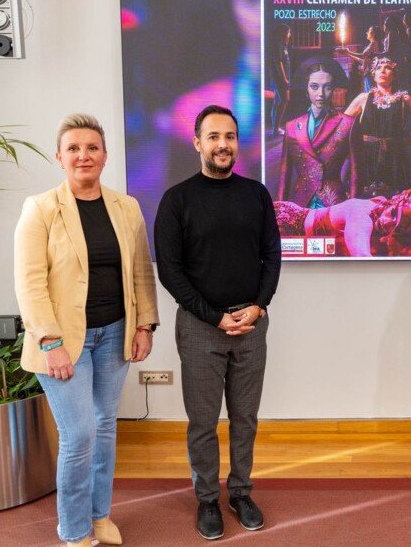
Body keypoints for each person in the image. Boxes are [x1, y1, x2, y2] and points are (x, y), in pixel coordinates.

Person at [14, 114, 159, 547]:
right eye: (74, 148)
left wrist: (144, 324)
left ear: (105, 155)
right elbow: (29, 282)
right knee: (79, 435)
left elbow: (139, 273)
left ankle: (99, 516)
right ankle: (73, 529)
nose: (84, 155)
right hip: (62, 342)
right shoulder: (40, 208)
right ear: (60, 157)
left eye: (92, 147)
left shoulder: (126, 206)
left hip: (115, 333)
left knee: (105, 426)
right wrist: (50, 342)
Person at [154, 105, 281, 540]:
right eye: (213, 137)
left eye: (229, 136)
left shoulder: (257, 194)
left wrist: (259, 305)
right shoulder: (177, 199)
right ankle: (207, 498)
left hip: (251, 323)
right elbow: (169, 271)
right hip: (199, 327)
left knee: (246, 417)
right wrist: (214, 316)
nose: (222, 144)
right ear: (197, 143)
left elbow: (272, 255)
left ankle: (240, 492)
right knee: (203, 421)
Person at [344, 57, 411, 199]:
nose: (383, 70)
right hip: (367, 158)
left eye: (388, 67)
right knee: (367, 203)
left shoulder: (404, 99)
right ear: (373, 74)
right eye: (378, 68)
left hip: (395, 158)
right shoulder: (364, 98)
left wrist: (406, 141)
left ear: (394, 74)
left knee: (396, 204)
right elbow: (342, 126)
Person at [277, 56, 354, 208]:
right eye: (314, 86)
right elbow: (284, 174)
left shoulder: (348, 123)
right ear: (306, 89)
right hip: (301, 203)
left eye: (327, 87)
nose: (320, 93)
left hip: (334, 203)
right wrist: (280, 208)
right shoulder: (292, 126)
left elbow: (357, 173)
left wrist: (353, 209)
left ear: (333, 89)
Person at [275, 185, 411, 257]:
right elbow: (362, 259)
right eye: (393, 213)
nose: (388, 224)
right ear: (393, 202)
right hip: (285, 222)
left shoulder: (380, 203)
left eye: (397, 228)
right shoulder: (361, 217)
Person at [338, 25, 383, 92]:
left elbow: (363, 56)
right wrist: (347, 54)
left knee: (370, 94)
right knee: (368, 93)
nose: (367, 33)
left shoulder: (374, 43)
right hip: (367, 74)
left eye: (369, 31)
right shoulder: (371, 44)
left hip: (370, 74)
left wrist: (348, 51)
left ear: (373, 33)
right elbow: (363, 60)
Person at [268, 23, 292, 135]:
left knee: (277, 101)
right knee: (285, 100)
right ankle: (276, 128)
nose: (290, 35)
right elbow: (279, 62)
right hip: (280, 79)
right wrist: (284, 79)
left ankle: (275, 128)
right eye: (288, 32)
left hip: (281, 78)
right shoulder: (277, 44)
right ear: (283, 33)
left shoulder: (283, 45)